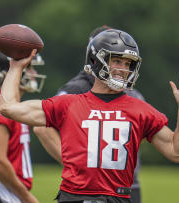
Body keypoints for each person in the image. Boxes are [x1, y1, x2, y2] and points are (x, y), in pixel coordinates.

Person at [0, 29, 179, 202]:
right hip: (75, 198)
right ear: (94, 61)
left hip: (118, 198)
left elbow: (178, 153)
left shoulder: (140, 109)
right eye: (117, 61)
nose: (123, 69)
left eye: (128, 64)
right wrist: (16, 67)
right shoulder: (69, 103)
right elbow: (8, 107)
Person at [33, 25, 143, 203]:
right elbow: (42, 127)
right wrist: (79, 167)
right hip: (94, 189)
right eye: (115, 58)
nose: (122, 67)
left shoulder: (128, 91)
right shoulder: (78, 88)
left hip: (126, 185)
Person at [0, 45, 46, 203]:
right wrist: (26, 197)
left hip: (7, 192)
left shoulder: (16, 107)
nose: (34, 74)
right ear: (9, 68)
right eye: (29, 68)